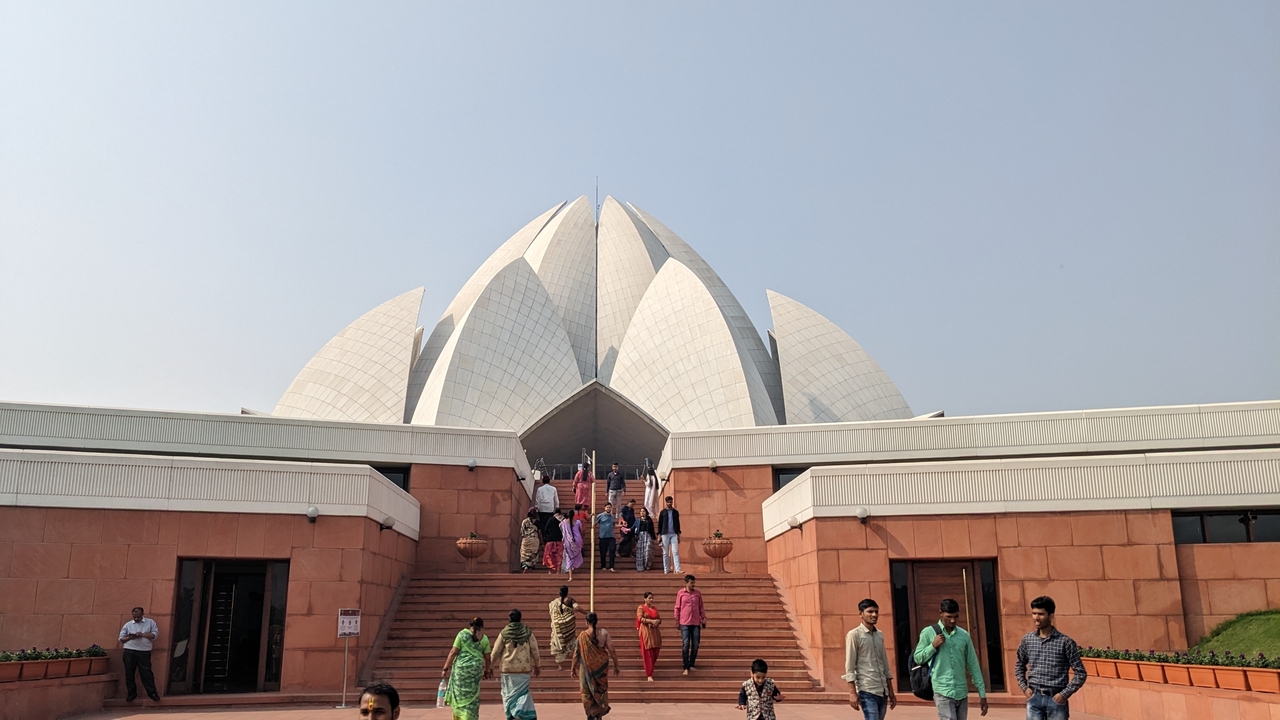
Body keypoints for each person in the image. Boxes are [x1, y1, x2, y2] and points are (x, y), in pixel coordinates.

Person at [913, 599, 988, 719]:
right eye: (949, 617)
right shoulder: (929, 632)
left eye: (956, 616)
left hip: (961, 691)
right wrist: (933, 646)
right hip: (942, 690)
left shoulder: (964, 635)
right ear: (941, 613)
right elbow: (918, 658)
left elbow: (973, 664)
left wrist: (982, 694)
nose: (952, 620)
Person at [1016, 596, 1087, 720]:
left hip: (1056, 698)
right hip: (1034, 696)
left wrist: (1064, 695)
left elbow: (1081, 673)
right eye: (1034, 613)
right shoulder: (1027, 640)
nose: (1036, 618)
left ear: (1051, 616)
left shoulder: (1065, 642)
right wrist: (1024, 688)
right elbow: (1019, 665)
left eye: (1041, 614)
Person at [844, 598, 897, 720]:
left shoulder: (879, 635)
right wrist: (852, 693)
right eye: (870, 611)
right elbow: (850, 666)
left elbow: (885, 664)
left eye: (876, 612)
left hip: (882, 690)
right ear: (861, 614)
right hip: (866, 688)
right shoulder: (854, 635)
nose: (874, 615)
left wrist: (891, 693)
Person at [491, 609, 541, 720]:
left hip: (507, 671)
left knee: (508, 695)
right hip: (523, 670)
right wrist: (538, 665)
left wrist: (490, 667)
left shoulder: (504, 633)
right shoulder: (527, 632)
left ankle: (513, 713)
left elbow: (495, 652)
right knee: (523, 694)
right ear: (520, 618)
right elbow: (534, 650)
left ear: (509, 619)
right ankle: (519, 711)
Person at [571, 611, 620, 720]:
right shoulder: (604, 633)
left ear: (586, 622)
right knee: (600, 691)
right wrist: (617, 665)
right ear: (596, 621)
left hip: (586, 671)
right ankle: (599, 715)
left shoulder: (582, 636)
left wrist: (572, 668)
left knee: (587, 692)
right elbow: (612, 649)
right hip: (601, 670)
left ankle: (591, 714)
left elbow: (576, 654)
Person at [442, 617, 492, 720]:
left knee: (459, 696)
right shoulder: (484, 638)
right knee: (472, 697)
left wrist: (445, 668)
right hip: (475, 672)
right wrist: (487, 671)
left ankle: (459, 717)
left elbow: (453, 652)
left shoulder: (462, 635)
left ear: (470, 625)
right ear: (481, 627)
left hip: (460, 672)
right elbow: (487, 658)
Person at [118, 606, 160, 702]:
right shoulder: (128, 625)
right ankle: (131, 693)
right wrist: (131, 637)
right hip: (129, 650)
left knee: (146, 673)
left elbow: (155, 635)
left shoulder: (150, 623)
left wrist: (142, 635)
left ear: (142, 615)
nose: (136, 619)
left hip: (144, 652)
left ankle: (152, 693)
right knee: (129, 673)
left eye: (138, 617)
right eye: (134, 617)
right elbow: (121, 639)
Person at [674, 574, 706, 676]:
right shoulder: (681, 593)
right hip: (684, 622)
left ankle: (691, 663)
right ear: (686, 583)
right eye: (691, 583)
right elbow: (677, 607)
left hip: (696, 622)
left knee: (695, 644)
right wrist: (676, 619)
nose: (693, 585)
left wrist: (703, 618)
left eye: (694, 583)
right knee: (686, 644)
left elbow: (701, 607)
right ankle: (686, 666)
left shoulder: (697, 594)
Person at [549, 586, 584, 672]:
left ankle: (560, 666)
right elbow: (577, 608)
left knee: (558, 645)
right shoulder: (570, 600)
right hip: (569, 627)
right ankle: (577, 664)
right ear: (567, 592)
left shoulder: (554, 603)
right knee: (572, 643)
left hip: (558, 628)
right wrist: (586, 613)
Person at [636, 591, 662, 682]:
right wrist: (650, 621)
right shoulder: (641, 607)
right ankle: (649, 674)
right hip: (646, 632)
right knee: (648, 653)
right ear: (645, 599)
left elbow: (659, 619)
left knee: (655, 651)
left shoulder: (654, 608)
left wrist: (656, 622)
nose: (651, 600)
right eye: (649, 598)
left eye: (652, 598)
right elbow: (640, 618)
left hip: (655, 632)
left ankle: (650, 668)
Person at [657, 496, 682, 574]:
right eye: (668, 502)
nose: (669, 503)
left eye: (671, 502)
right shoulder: (663, 512)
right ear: (666, 502)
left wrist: (678, 534)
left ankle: (678, 569)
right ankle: (666, 570)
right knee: (665, 553)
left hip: (674, 533)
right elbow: (660, 524)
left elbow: (678, 523)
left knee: (675, 551)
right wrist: (659, 535)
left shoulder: (675, 512)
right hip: (665, 534)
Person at [560, 509, 584, 581]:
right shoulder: (578, 522)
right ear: (574, 515)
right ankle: (575, 569)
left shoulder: (563, 523)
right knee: (576, 555)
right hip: (578, 541)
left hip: (568, 542)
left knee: (569, 557)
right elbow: (581, 531)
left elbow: (560, 527)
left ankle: (570, 576)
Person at [633, 507, 656, 571]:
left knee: (648, 549)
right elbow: (633, 527)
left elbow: (652, 529)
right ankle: (640, 566)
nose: (642, 512)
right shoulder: (638, 520)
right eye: (641, 511)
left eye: (643, 511)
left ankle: (647, 564)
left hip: (647, 535)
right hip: (640, 536)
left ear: (646, 512)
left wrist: (653, 536)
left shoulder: (649, 520)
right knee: (640, 551)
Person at [596, 503, 617, 572]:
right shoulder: (600, 516)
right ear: (605, 508)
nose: (608, 508)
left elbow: (614, 525)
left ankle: (611, 566)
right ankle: (603, 566)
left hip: (611, 536)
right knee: (603, 552)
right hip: (603, 537)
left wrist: (622, 525)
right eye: (607, 507)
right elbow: (595, 523)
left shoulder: (612, 516)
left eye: (609, 507)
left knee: (612, 550)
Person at [519, 507, 542, 572]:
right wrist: (542, 543)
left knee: (524, 555)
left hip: (527, 539)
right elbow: (539, 532)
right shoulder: (537, 522)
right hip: (535, 540)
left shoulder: (525, 521)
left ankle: (525, 566)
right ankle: (531, 569)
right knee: (533, 555)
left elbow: (522, 532)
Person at [542, 509, 564, 574]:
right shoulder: (563, 520)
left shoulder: (551, 519)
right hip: (559, 541)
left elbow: (545, 529)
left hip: (550, 541)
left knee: (549, 556)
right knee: (558, 556)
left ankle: (551, 571)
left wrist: (546, 537)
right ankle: (558, 571)